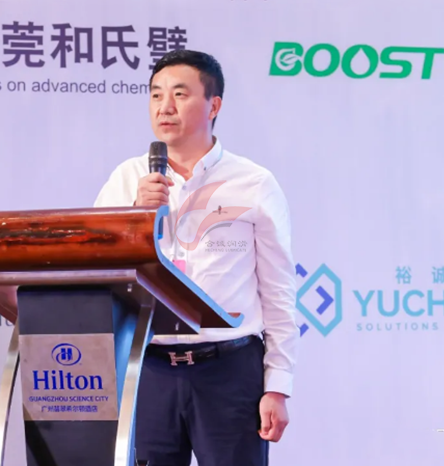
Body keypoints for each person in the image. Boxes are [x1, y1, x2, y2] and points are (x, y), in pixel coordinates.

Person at [93, 49, 298, 466]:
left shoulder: (253, 182)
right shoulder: (127, 179)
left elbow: (278, 289)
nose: (164, 107)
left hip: (229, 370)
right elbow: (97, 265)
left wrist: (277, 385)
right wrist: (135, 215)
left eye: (179, 94)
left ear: (213, 105)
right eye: (155, 95)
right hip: (148, 369)